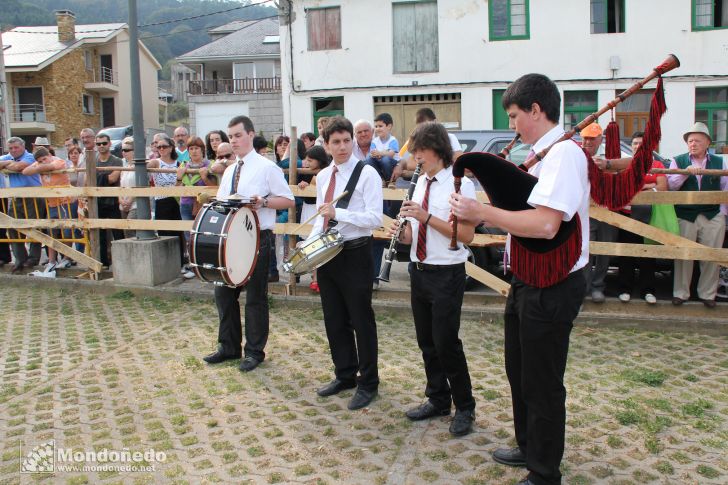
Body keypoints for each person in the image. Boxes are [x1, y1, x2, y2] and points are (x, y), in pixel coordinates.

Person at [450, 73, 589, 485]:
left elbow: (546, 226)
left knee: (543, 381)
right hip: (529, 278)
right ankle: (529, 445)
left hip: (555, 283)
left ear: (536, 110)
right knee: (520, 370)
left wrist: (482, 213)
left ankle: (545, 472)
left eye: (514, 116)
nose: (512, 126)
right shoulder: (546, 155)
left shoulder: (564, 155)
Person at [388, 121, 477, 437]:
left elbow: (466, 234)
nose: (414, 157)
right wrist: (402, 234)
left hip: (447, 273)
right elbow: (416, 234)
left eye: (419, 151)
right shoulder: (420, 183)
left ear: (436, 150)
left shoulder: (459, 185)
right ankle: (438, 398)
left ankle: (465, 406)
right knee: (426, 341)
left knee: (446, 342)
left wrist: (425, 217)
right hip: (419, 270)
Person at [203, 115, 294, 372]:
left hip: (257, 237)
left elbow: (287, 200)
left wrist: (263, 202)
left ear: (251, 135)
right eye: (230, 137)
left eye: (238, 135)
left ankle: (254, 351)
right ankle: (228, 346)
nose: (233, 141)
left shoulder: (267, 168)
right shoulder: (230, 169)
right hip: (231, 239)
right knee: (223, 293)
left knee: (255, 297)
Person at [304, 116, 383, 411]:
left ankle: (369, 381)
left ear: (353, 140)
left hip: (356, 253)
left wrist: (340, 213)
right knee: (334, 318)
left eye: (346, 140)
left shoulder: (367, 174)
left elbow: (374, 218)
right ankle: (345, 374)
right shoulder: (323, 176)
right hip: (328, 254)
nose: (342, 147)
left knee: (361, 320)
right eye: (335, 142)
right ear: (325, 145)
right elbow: (322, 218)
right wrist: (309, 247)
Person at [668, 122, 728, 308]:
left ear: (707, 143)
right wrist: (685, 174)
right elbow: (671, 186)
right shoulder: (678, 160)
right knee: (684, 255)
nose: (693, 144)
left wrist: (723, 215)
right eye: (690, 141)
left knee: (711, 256)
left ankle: (708, 294)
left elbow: (725, 188)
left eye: (697, 141)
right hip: (686, 214)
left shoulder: (719, 162)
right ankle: (681, 293)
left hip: (712, 214)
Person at [612, 132, 667, 304]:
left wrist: (641, 189)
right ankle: (625, 289)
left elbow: (663, 188)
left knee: (647, 256)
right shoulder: (624, 164)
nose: (637, 146)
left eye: (641, 143)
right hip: (626, 216)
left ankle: (647, 290)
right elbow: (621, 188)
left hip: (649, 217)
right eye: (634, 143)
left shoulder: (657, 164)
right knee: (626, 254)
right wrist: (650, 185)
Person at [23, 147, 73, 271]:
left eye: (45, 159)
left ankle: (67, 258)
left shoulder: (59, 161)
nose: (43, 162)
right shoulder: (40, 164)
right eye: (40, 161)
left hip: (64, 202)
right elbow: (26, 171)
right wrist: (39, 167)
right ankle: (52, 260)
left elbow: (51, 167)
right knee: (51, 232)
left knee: (67, 231)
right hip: (51, 203)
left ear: (50, 155)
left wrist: (38, 168)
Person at [581, 123, 615, 303]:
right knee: (586, 251)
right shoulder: (575, 155)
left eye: (592, 138)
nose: (587, 142)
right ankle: (584, 289)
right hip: (584, 212)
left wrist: (609, 164)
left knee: (604, 250)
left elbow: (632, 163)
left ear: (600, 139)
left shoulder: (610, 155)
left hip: (608, 212)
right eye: (585, 137)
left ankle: (597, 286)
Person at [147, 133, 188, 277]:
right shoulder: (157, 162)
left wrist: (178, 179)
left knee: (178, 233)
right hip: (162, 201)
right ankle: (166, 264)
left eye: (164, 146)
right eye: (159, 147)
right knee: (164, 233)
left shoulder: (178, 164)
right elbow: (147, 165)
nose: (161, 149)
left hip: (176, 201)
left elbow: (180, 185)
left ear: (171, 148)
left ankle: (181, 264)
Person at [0, 137, 42, 272]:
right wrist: (9, 162)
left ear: (23, 147)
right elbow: (14, 165)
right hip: (15, 196)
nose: (13, 150)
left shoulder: (30, 157)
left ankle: (33, 258)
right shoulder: (8, 157)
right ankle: (20, 259)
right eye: (10, 148)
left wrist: (7, 164)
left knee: (34, 227)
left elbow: (19, 166)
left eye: (16, 147)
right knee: (13, 228)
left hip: (33, 196)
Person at [298, 145, 331, 292]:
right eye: (306, 159)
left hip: (320, 209)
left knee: (320, 243)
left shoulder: (327, 172)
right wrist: (303, 184)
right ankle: (315, 277)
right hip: (308, 208)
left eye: (310, 160)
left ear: (319, 160)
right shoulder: (305, 172)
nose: (307, 162)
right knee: (310, 242)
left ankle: (320, 278)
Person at [396, 108, 463, 176]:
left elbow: (459, 159)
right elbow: (410, 163)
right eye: (421, 127)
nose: (424, 130)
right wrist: (429, 164)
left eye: (426, 126)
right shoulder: (420, 140)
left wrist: (433, 164)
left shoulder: (449, 137)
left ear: (434, 122)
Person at [94, 133, 124, 268]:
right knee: (99, 234)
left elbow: (113, 179)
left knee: (117, 233)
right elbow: (88, 180)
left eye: (104, 143)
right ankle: (103, 262)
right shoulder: (92, 161)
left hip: (113, 202)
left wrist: (98, 178)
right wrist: (105, 176)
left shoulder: (117, 160)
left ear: (109, 144)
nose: (101, 146)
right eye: (98, 144)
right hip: (97, 202)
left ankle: (121, 262)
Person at [177, 136, 215, 231]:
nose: (194, 151)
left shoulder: (210, 165)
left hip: (204, 204)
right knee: (187, 233)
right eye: (191, 148)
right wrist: (179, 177)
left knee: (202, 233)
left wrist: (204, 178)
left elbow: (215, 187)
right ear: (188, 151)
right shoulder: (183, 165)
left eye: (197, 148)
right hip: (185, 204)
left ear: (202, 150)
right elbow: (177, 188)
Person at [366, 112, 400, 182]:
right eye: (376, 126)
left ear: (389, 126)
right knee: (368, 158)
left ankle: (390, 180)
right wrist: (375, 154)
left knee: (386, 159)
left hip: (391, 164)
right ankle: (380, 178)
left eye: (380, 126)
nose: (377, 129)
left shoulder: (392, 140)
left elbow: (391, 154)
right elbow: (372, 153)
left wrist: (380, 153)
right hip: (379, 162)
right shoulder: (374, 141)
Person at [118, 137, 139, 239]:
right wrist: (121, 200)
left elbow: (140, 185)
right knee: (126, 233)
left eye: (127, 150)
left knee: (129, 229)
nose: (124, 152)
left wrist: (130, 200)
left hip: (136, 204)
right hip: (123, 204)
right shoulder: (124, 166)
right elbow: (121, 186)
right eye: (122, 150)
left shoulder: (139, 166)